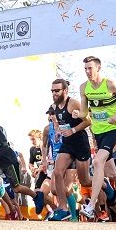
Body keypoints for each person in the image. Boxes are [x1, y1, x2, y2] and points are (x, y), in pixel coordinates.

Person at [77, 56, 116, 219]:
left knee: (97, 161)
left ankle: (91, 205)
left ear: (98, 68)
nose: (87, 71)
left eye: (90, 68)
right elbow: (85, 113)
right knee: (113, 173)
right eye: (85, 68)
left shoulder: (110, 84)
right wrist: (78, 114)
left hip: (113, 130)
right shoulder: (83, 88)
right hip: (98, 132)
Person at [47, 79, 91, 221]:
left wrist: (73, 130)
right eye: (52, 90)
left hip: (80, 143)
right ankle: (63, 208)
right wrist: (59, 131)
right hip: (67, 144)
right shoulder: (54, 106)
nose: (54, 93)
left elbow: (88, 121)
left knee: (85, 181)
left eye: (57, 90)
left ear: (65, 91)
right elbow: (61, 123)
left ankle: (103, 183)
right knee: (58, 172)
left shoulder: (73, 103)